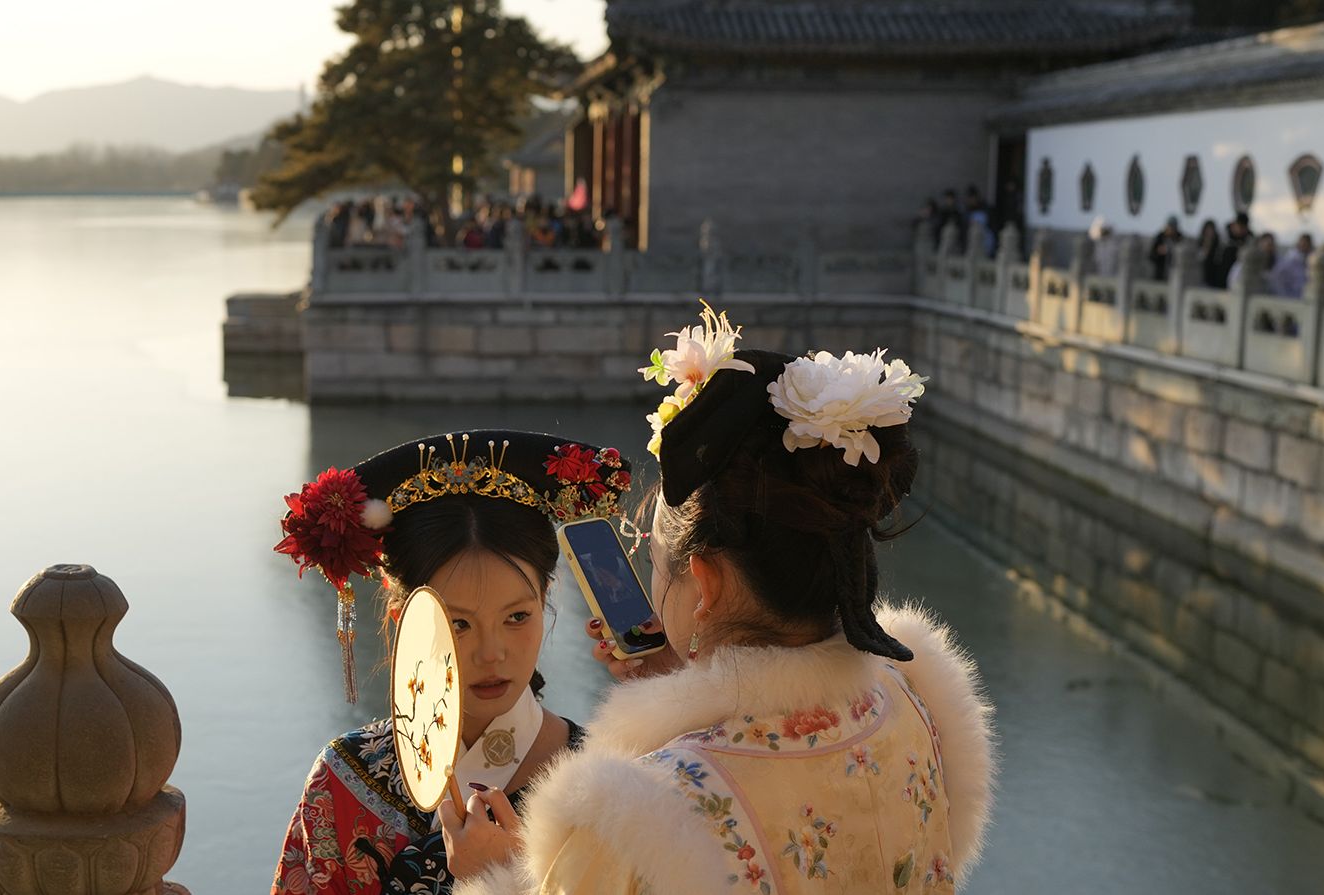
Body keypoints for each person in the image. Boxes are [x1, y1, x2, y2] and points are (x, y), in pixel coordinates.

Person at [442, 308, 997, 894]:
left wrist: (496, 878)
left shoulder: (643, 815)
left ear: (703, 585)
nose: (656, 589)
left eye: (658, 568)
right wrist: (682, 680)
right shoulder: (910, 701)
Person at [272, 431, 636, 894]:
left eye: (517, 617)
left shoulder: (607, 783)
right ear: (402, 617)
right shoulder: (343, 779)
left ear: (546, 600)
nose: (492, 653)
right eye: (458, 624)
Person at [1270, 233, 1313, 299]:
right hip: (1288, 297)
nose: (1304, 245)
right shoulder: (1288, 260)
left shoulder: (1310, 261)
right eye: (1303, 243)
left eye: (1307, 243)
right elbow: (1278, 279)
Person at [1149, 216, 1183, 280]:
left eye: (1173, 227)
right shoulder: (1160, 237)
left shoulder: (1179, 238)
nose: (1171, 230)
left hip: (1174, 273)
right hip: (1160, 272)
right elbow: (1151, 255)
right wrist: (1158, 251)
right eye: (1170, 226)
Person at [1198, 219, 1227, 288]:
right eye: (1207, 230)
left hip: (1212, 278)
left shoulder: (1218, 247)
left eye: (1211, 230)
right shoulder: (1199, 243)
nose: (1209, 232)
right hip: (1200, 277)